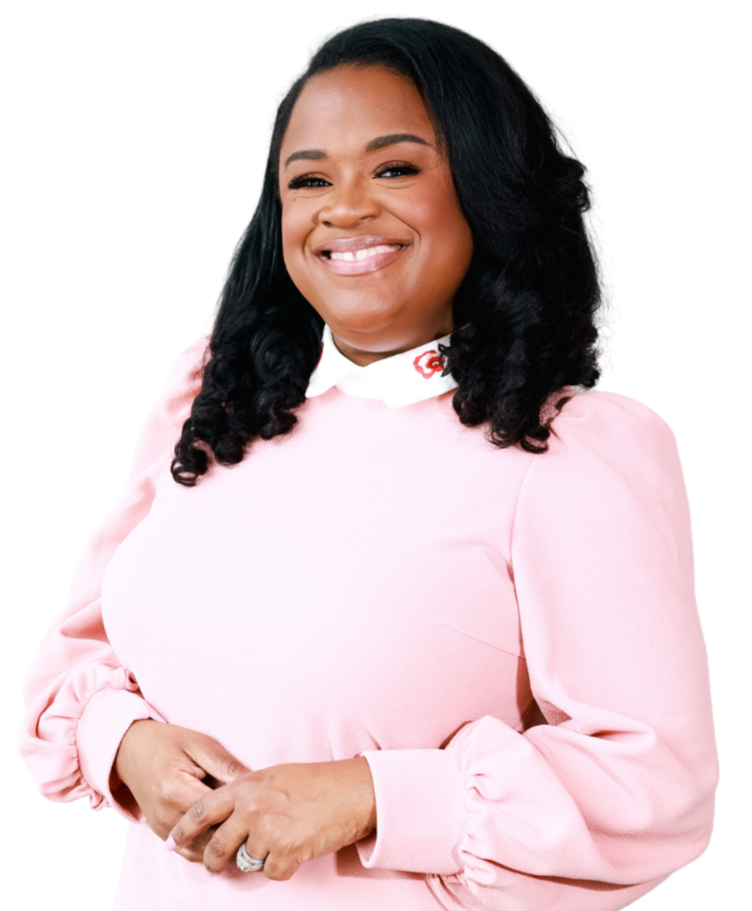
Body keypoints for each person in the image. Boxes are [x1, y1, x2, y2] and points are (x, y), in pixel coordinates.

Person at [16, 14, 719, 911]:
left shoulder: (572, 448)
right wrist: (124, 741)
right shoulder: (212, 392)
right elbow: (75, 653)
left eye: (394, 169)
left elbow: (654, 785)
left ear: (486, 190)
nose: (344, 208)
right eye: (310, 178)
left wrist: (370, 795)